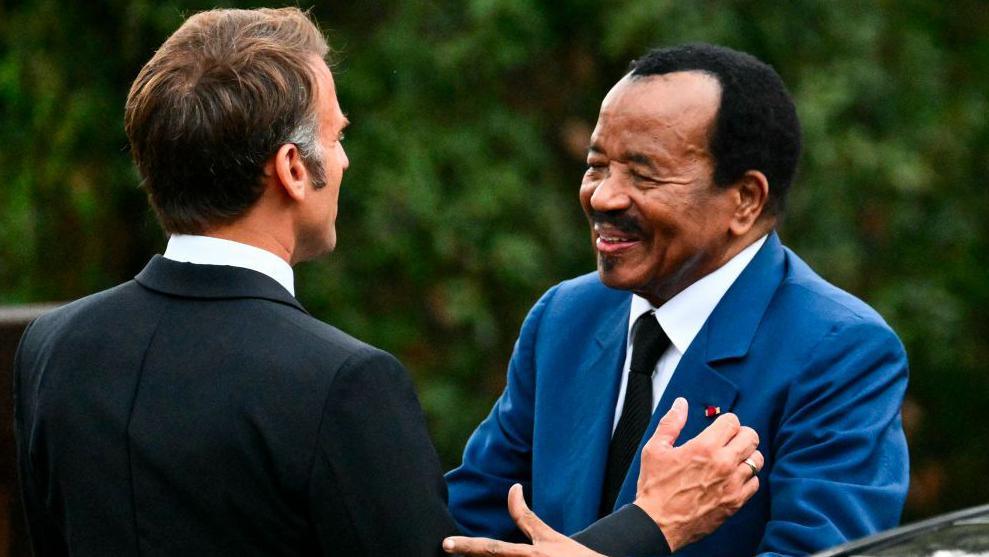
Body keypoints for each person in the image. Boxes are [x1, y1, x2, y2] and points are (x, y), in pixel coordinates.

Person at [12, 11, 761, 556]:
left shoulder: (53, 346)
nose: (344, 162)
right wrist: (651, 523)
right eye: (337, 137)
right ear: (291, 169)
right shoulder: (341, 384)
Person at [446, 43, 910, 556]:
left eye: (644, 175)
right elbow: (462, 527)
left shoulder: (839, 351)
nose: (603, 196)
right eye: (596, 165)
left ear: (745, 200)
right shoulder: (566, 317)